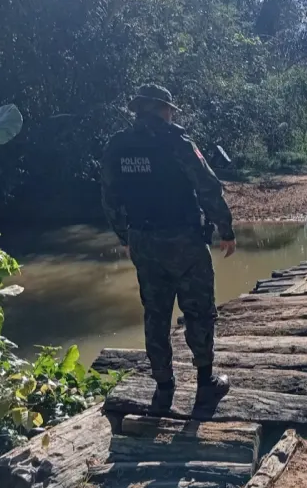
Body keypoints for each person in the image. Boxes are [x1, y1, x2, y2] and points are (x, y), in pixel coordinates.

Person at [101, 84, 236, 409]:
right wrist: (226, 229)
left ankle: (164, 387)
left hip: (143, 241)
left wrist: (125, 237)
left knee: (156, 313)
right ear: (163, 109)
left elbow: (109, 197)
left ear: (138, 110)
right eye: (169, 110)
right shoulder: (176, 142)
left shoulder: (117, 146)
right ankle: (205, 384)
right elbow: (207, 186)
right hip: (184, 240)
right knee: (198, 310)